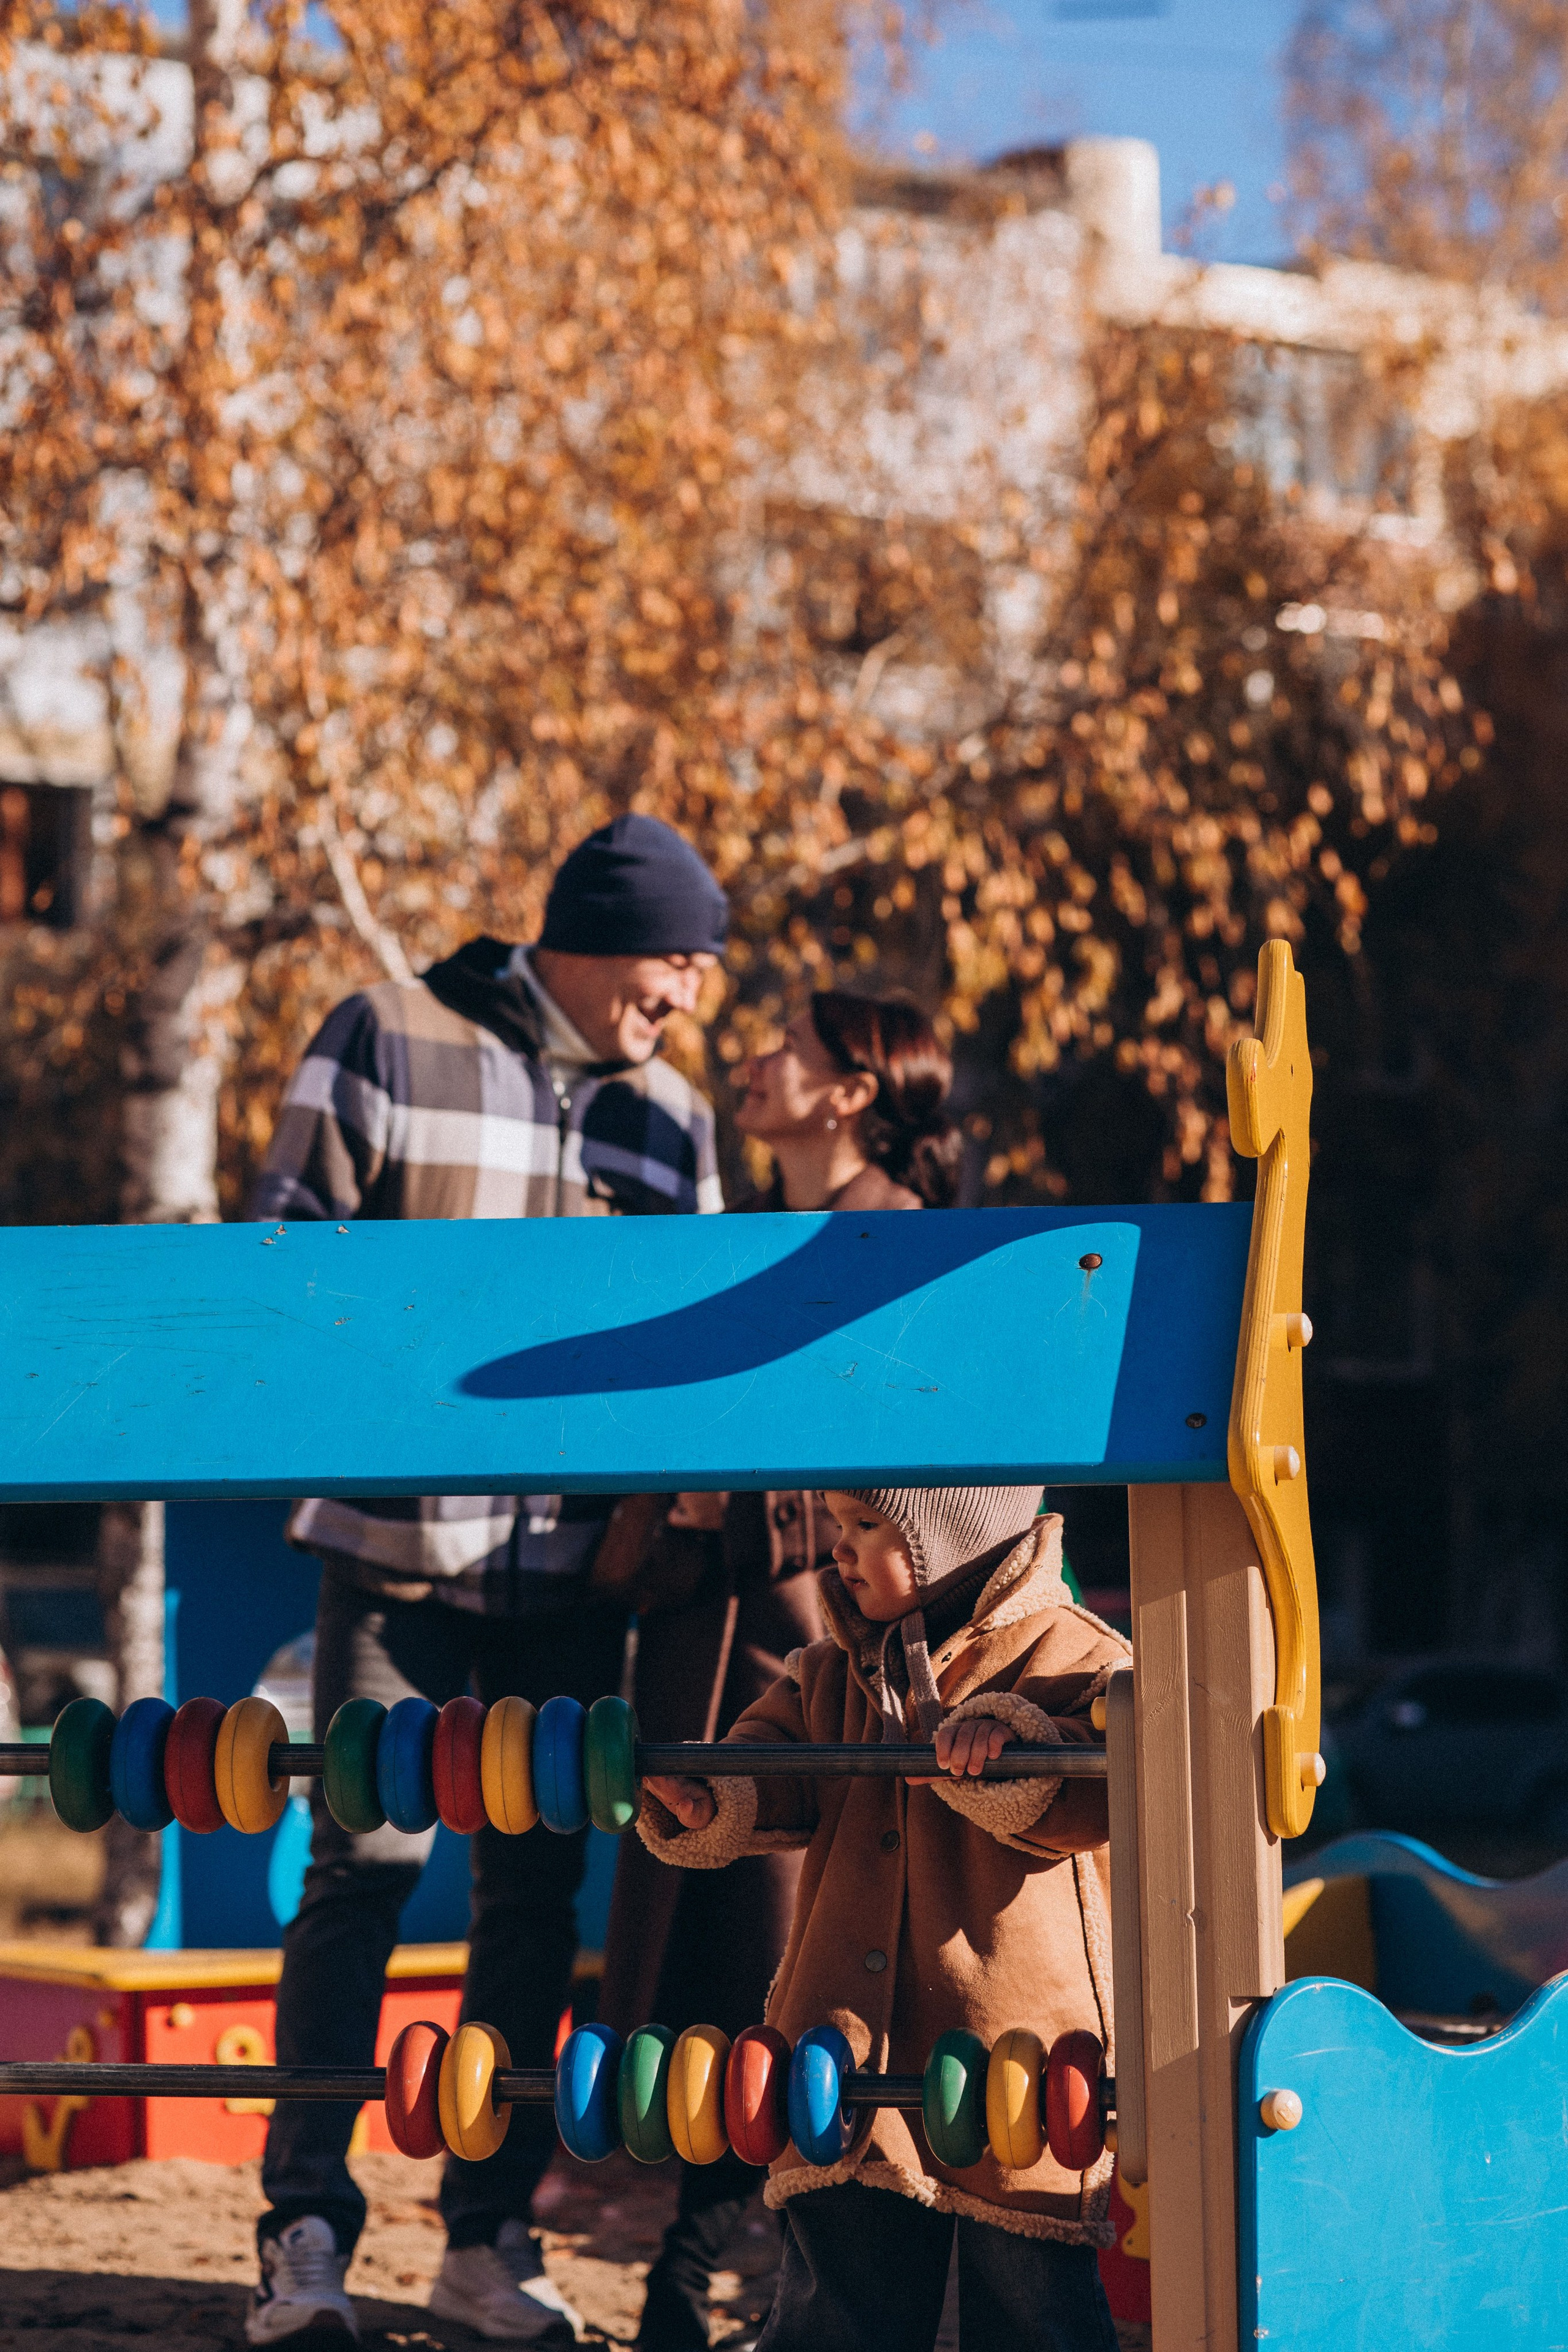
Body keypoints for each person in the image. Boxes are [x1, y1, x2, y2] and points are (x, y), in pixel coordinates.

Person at [244, 815, 729, 2351]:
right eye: (675, 963)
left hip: (571, 1579)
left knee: (532, 1905)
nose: (689, 999)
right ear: (598, 937)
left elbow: (693, 1346)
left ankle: (485, 2237)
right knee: (362, 1876)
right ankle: (305, 2234)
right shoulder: (387, 1035)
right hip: (394, 1561)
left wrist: (651, 1514)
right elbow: (285, 1260)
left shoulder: (672, 1119)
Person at [597, 992, 962, 2352]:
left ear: (852, 1092)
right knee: (709, 1972)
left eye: (783, 1054)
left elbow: (926, 1496)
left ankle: (788, 2294)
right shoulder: (743, 1237)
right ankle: (682, 2294)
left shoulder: (910, 1249)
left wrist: (737, 1510)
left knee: (806, 1974)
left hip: (837, 1646)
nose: (747, 1066)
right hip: (708, 1641)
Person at [639, 1487, 1127, 2352]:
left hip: (1013, 2061)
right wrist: (710, 1797)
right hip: (846, 2051)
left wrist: (1012, 1749)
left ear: (954, 1539)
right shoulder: (830, 1672)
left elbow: (1101, 1794)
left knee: (1030, 2304)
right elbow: (772, 1764)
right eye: (838, 1528)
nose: (841, 1550)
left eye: (869, 1528)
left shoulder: (1073, 1652)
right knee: (838, 2298)